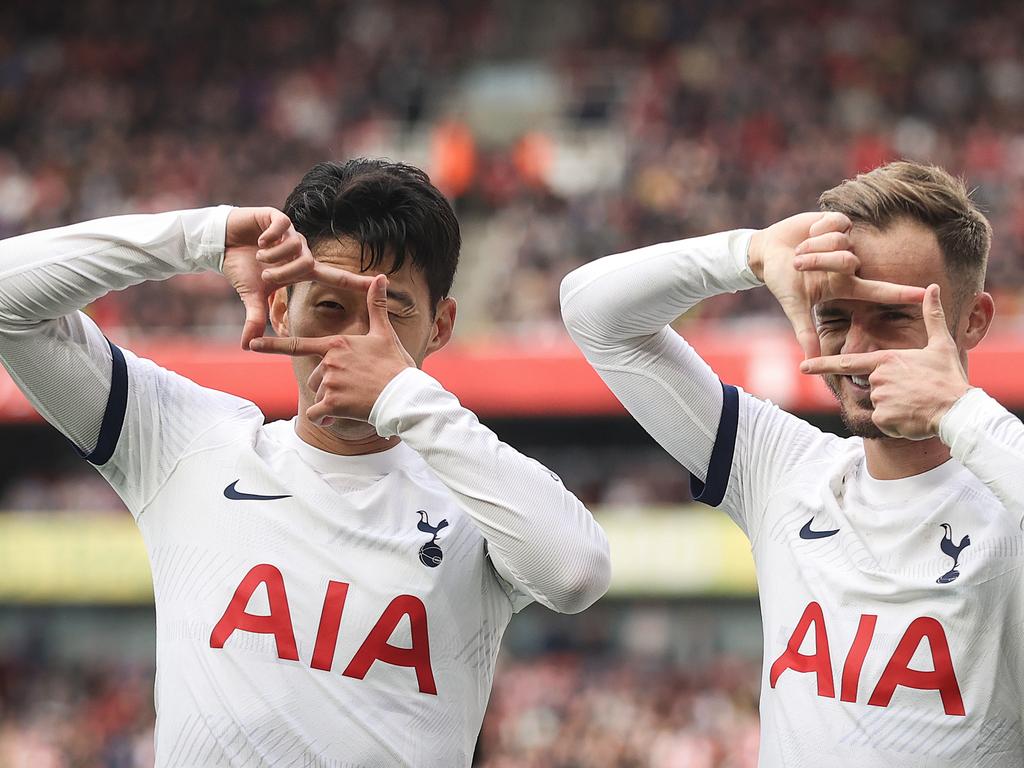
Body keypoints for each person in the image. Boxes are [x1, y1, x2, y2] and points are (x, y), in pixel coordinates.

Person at [0, 158, 611, 767]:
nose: (353, 341)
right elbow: (9, 302)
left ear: (441, 326)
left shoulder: (474, 492)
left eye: (390, 312)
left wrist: (402, 395)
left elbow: (577, 572)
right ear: (282, 306)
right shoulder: (187, 443)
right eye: (328, 306)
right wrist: (200, 238)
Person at [560, 161, 1024, 766]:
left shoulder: (1005, 498)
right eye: (834, 316)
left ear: (974, 321)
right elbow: (596, 317)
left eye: (893, 316)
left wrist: (958, 410)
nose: (855, 350)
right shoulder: (782, 468)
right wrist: (749, 253)